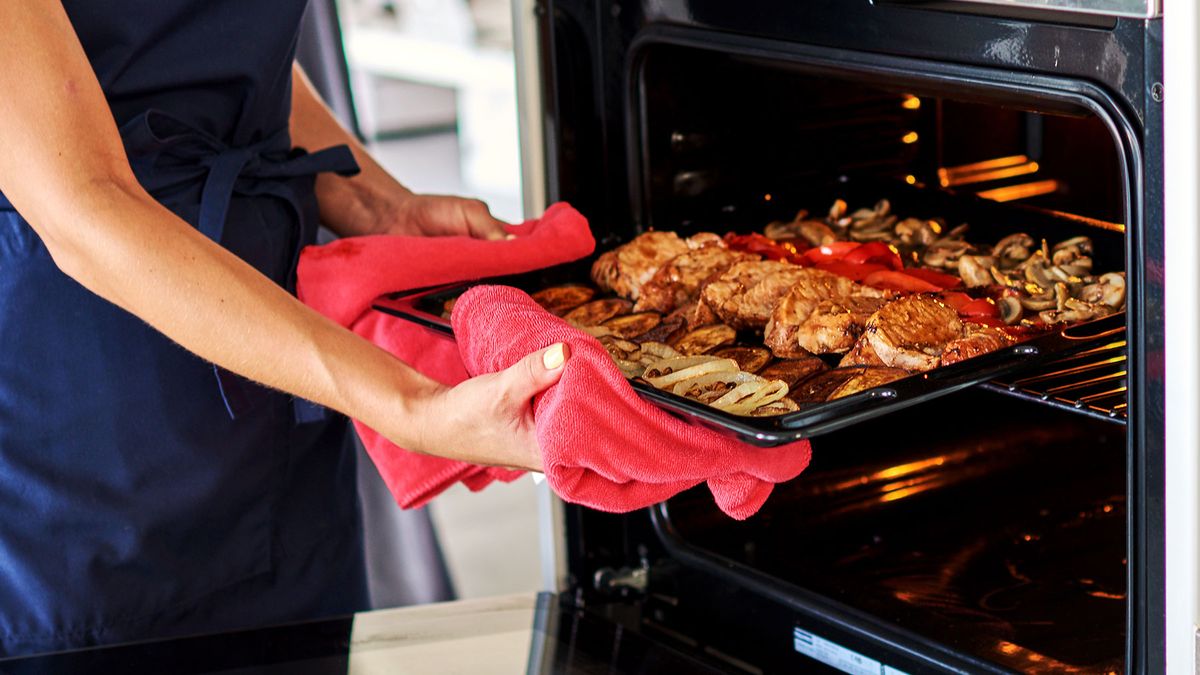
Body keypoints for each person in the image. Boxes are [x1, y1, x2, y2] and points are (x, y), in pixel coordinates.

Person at [0, 0, 567, 656]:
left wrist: (375, 203)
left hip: (276, 403)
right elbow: (88, 204)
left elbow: (226, 45)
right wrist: (409, 404)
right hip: (85, 431)